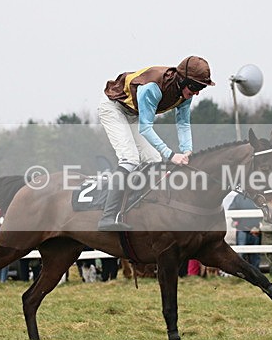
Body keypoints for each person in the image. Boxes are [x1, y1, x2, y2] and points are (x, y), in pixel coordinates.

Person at [97, 55, 215, 230]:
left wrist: (187, 150)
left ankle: (140, 209)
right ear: (183, 80)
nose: (197, 92)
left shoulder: (185, 94)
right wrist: (171, 155)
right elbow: (145, 128)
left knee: (154, 161)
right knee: (130, 159)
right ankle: (107, 217)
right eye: (195, 87)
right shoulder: (153, 88)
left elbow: (183, 123)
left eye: (201, 88)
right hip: (113, 108)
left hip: (132, 114)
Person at [228, 193, 262, 271]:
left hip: (255, 230)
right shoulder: (238, 197)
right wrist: (239, 222)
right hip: (242, 229)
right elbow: (231, 210)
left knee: (255, 254)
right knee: (241, 254)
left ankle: (256, 274)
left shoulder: (258, 198)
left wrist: (257, 225)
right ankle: (242, 273)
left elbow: (264, 211)